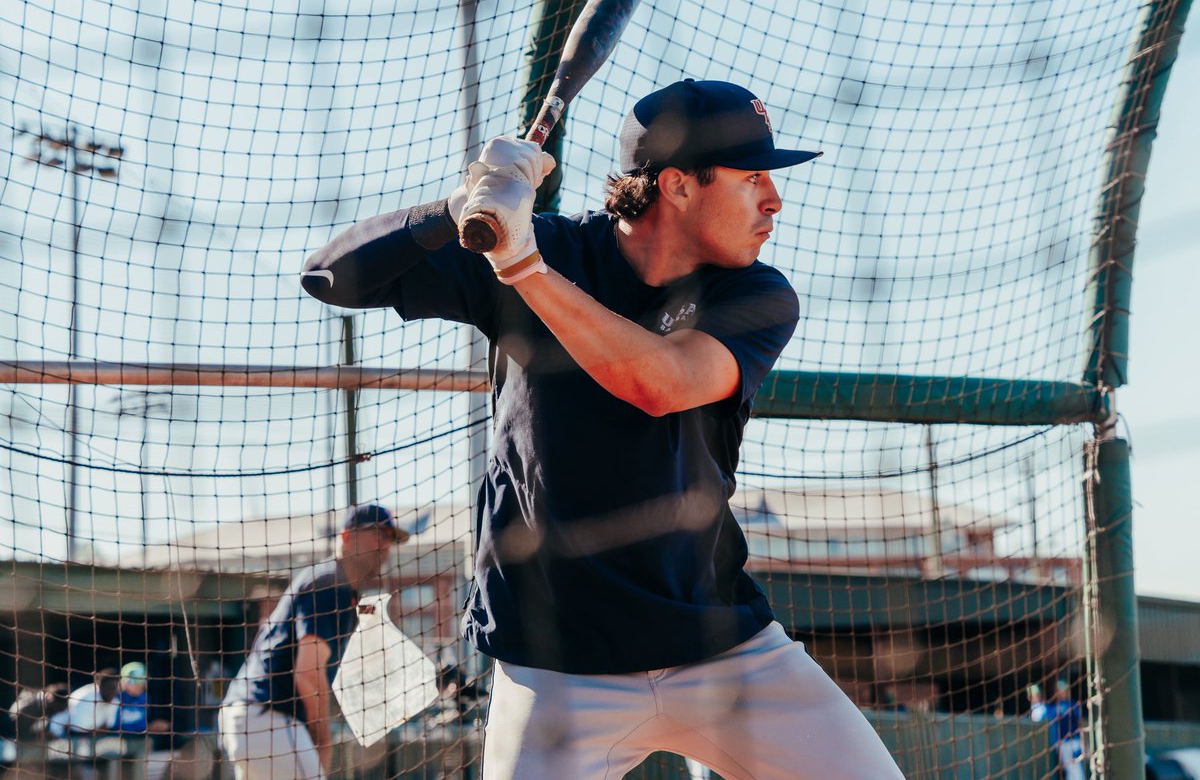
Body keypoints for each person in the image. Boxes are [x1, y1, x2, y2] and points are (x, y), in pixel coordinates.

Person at [301, 79, 906, 779]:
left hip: (717, 646)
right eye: (752, 178)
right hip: (555, 663)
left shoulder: (753, 293)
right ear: (678, 185)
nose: (773, 199)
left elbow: (661, 384)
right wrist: (453, 209)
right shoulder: (551, 245)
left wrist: (523, 268)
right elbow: (329, 276)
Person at [218, 504, 409, 780]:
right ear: (346, 536)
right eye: (377, 534)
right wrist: (322, 738)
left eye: (389, 538)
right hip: (268, 720)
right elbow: (308, 673)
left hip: (251, 719)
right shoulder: (330, 584)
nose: (385, 545)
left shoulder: (338, 587)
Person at [1029, 679, 1087, 780]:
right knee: (1069, 769)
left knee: (1076, 769)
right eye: (1059, 690)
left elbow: (1080, 723)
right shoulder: (1053, 707)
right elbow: (1039, 716)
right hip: (1062, 743)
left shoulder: (1072, 704)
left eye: (1062, 689)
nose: (1060, 692)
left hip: (1074, 741)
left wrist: (1084, 741)